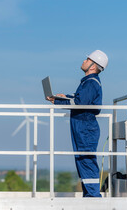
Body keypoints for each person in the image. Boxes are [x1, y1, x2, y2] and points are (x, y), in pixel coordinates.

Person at [46, 50, 108, 197]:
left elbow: (80, 102)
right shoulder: (88, 82)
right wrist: (62, 97)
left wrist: (59, 101)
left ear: (93, 66)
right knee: (81, 159)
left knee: (86, 159)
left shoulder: (91, 82)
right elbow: (79, 97)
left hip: (85, 126)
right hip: (81, 125)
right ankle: (89, 195)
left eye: (87, 59)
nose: (84, 61)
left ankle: (93, 197)